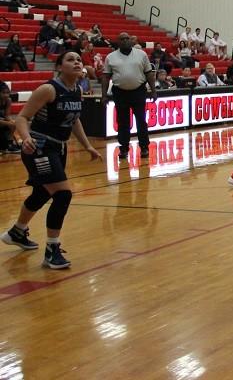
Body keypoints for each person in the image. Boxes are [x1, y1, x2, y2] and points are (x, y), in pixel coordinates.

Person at [1, 51, 102, 269]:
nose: (76, 62)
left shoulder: (77, 90)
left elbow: (74, 121)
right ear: (59, 66)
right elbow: (22, 117)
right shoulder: (48, 89)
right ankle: (51, 250)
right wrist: (25, 138)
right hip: (39, 146)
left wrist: (87, 146)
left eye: (78, 60)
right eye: (70, 59)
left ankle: (17, 232)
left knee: (42, 192)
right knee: (63, 194)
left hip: (58, 147)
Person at [101, 33, 156, 162]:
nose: (125, 41)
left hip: (138, 91)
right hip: (120, 93)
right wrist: (104, 95)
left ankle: (144, 147)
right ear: (118, 42)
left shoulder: (141, 54)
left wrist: (153, 90)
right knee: (123, 122)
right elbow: (105, 77)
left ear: (131, 41)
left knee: (141, 120)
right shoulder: (111, 57)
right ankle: (124, 148)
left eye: (127, 39)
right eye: (122, 39)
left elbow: (149, 73)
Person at [0, 82, 20, 153]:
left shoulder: (8, 100)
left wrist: (12, 121)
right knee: (10, 124)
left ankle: (10, 143)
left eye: (8, 93)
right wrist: (8, 123)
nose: (6, 95)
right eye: (3, 93)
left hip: (1, 119)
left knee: (13, 124)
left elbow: (7, 115)